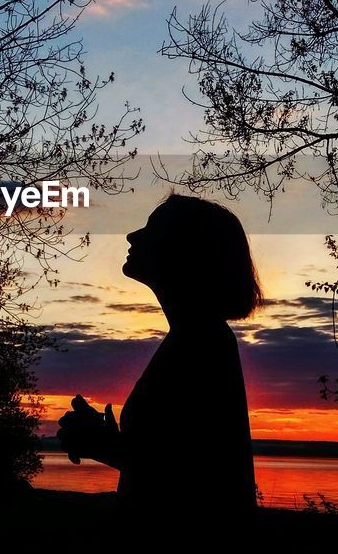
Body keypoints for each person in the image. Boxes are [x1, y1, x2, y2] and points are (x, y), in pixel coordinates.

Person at [56, 193, 262, 526]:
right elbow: (178, 457)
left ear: (185, 250)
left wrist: (106, 446)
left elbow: (196, 479)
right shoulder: (194, 336)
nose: (131, 236)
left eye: (152, 229)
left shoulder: (202, 341)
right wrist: (112, 442)